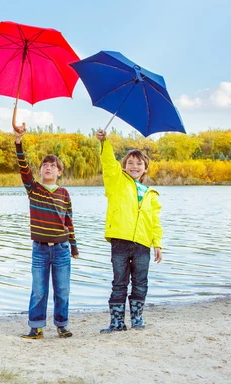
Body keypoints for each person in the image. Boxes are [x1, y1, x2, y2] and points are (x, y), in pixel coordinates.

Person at [14, 124, 79, 340]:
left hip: (61, 249)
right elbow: (24, 168)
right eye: (45, 165)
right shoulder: (34, 189)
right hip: (40, 249)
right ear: (40, 171)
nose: (48, 168)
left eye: (53, 165)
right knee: (39, 290)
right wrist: (18, 142)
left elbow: (68, 220)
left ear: (60, 172)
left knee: (62, 290)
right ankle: (36, 327)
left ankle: (62, 325)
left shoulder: (64, 193)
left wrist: (74, 246)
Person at [95, 129, 163, 333]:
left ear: (145, 168)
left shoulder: (152, 194)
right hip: (120, 241)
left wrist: (157, 243)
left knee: (141, 282)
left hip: (143, 244)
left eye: (139, 163)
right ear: (124, 167)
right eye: (130, 163)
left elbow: (155, 221)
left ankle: (137, 320)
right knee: (119, 282)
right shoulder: (116, 182)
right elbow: (108, 163)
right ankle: (116, 323)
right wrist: (104, 142)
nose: (134, 166)